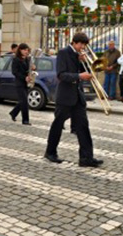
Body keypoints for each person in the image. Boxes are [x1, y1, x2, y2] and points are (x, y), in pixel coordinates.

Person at [44, 32, 104, 167]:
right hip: (65, 96)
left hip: (78, 96)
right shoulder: (64, 53)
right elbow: (61, 75)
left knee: (83, 127)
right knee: (58, 125)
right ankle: (50, 152)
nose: (82, 47)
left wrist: (83, 63)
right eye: (81, 44)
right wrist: (79, 76)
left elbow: (87, 72)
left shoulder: (79, 55)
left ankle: (86, 158)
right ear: (74, 42)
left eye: (84, 45)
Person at [9, 43, 32, 125]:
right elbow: (14, 72)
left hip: (26, 82)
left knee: (23, 100)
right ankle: (25, 120)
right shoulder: (16, 59)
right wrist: (24, 77)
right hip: (19, 83)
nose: (26, 51)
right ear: (20, 50)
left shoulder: (27, 59)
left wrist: (32, 68)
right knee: (24, 101)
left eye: (27, 50)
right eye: (24, 50)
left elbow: (28, 69)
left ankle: (13, 113)